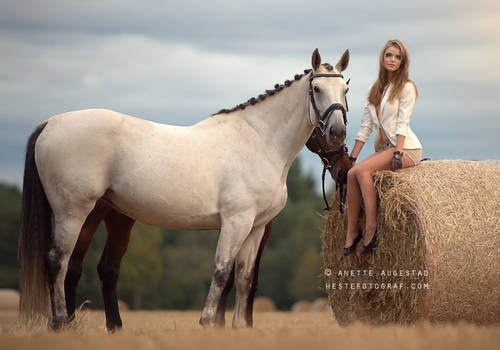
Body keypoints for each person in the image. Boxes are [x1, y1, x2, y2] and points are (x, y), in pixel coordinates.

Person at [343, 39, 422, 256]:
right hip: (386, 148)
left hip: (406, 148)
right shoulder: (374, 89)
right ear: (383, 58)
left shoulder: (406, 87)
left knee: (363, 171)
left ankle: (371, 227)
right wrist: (352, 156)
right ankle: (351, 232)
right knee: (352, 173)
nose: (393, 60)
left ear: (403, 62)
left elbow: (402, 122)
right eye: (389, 55)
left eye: (398, 57)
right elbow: (365, 128)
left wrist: (398, 151)